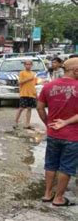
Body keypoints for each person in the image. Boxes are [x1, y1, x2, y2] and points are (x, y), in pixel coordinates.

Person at [37, 58, 78, 207]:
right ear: (75, 71)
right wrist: (67, 122)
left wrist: (48, 123)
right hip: (73, 136)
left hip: (53, 134)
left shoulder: (48, 86)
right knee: (66, 167)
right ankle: (59, 198)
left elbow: (40, 107)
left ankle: (47, 194)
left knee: (50, 164)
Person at [14, 60, 38, 129]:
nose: (28, 66)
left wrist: (36, 95)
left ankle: (27, 124)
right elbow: (20, 82)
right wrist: (28, 79)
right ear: (24, 65)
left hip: (31, 94)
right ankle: (16, 122)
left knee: (29, 109)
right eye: (27, 64)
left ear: (32, 65)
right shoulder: (22, 73)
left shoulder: (33, 73)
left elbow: (33, 84)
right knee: (21, 108)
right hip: (24, 93)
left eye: (29, 64)